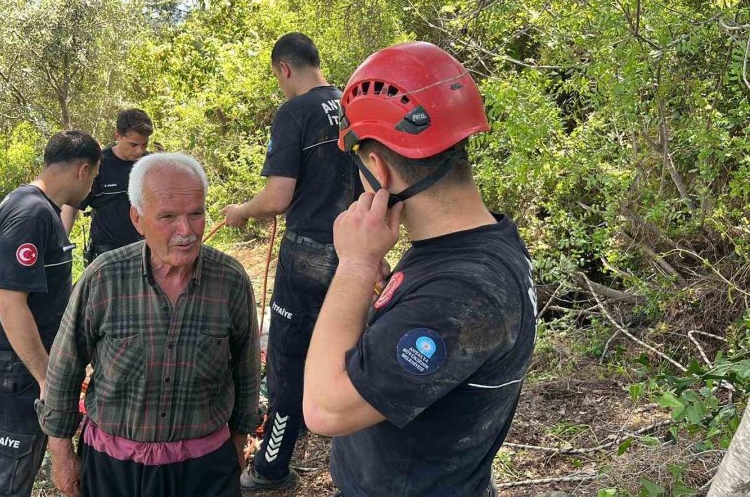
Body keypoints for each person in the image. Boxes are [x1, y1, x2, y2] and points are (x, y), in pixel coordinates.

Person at [302, 42, 538, 496]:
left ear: (377, 169)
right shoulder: (481, 243)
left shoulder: (462, 292)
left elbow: (324, 409)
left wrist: (355, 263)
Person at [37, 153, 261, 497]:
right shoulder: (104, 277)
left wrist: (240, 437)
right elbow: (64, 367)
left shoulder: (229, 279)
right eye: (168, 216)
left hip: (204, 467)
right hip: (116, 468)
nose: (186, 231)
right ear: (137, 219)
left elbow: (246, 367)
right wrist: (61, 452)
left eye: (196, 214)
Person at [221, 32, 361, 492]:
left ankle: (271, 468)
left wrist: (241, 211)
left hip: (308, 256)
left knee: (287, 359)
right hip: (356, 251)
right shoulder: (354, 103)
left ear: (284, 68)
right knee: (347, 352)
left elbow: (278, 197)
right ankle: (353, 462)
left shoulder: (295, 111)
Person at [0, 130, 101, 496]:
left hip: (16, 367)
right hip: (13, 370)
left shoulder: (38, 208)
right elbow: (9, 305)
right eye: (93, 178)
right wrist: (47, 378)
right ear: (83, 170)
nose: (91, 188)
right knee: (5, 486)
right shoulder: (31, 214)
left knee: (15, 477)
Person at [61, 108, 155, 264]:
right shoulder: (98, 165)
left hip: (146, 253)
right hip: (108, 256)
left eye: (144, 144)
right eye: (133, 144)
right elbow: (71, 207)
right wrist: (60, 243)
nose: (140, 151)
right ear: (118, 135)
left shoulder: (151, 164)